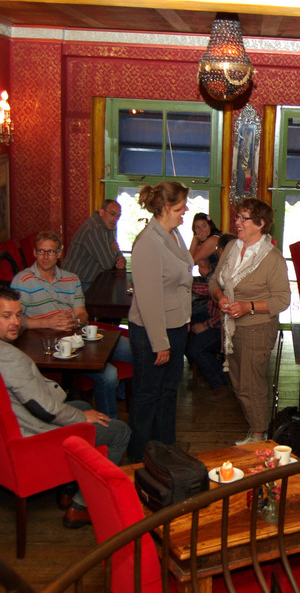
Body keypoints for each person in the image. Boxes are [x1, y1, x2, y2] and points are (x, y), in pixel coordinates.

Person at [0, 286, 130, 529]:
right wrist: (82, 417)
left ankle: (68, 490)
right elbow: (46, 410)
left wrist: (80, 411)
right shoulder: (8, 356)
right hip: (29, 437)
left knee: (82, 403)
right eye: (6, 316)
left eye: (18, 315)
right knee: (119, 431)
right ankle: (81, 506)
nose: (15, 322)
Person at [11, 231, 128, 420]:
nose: (45, 256)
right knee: (108, 375)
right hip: (45, 345)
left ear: (59, 253)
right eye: (41, 251)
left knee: (136, 351)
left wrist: (76, 321)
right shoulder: (22, 280)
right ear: (34, 252)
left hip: (77, 337)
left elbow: (82, 313)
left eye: (51, 252)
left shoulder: (71, 279)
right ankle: (109, 421)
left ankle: (142, 405)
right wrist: (47, 322)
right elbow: (16, 320)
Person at [210, 199, 290, 446]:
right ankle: (257, 430)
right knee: (238, 382)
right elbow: (214, 282)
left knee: (250, 385)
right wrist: (221, 297)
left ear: (261, 224)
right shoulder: (232, 247)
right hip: (231, 328)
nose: (237, 222)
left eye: (244, 218)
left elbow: (282, 300)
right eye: (237, 217)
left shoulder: (272, 258)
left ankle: (258, 436)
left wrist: (249, 306)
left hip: (258, 329)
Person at [127, 181, 194, 462]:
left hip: (175, 327)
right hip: (152, 332)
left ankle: (166, 450)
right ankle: (139, 457)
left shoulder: (173, 234)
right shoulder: (148, 242)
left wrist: (185, 319)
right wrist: (160, 343)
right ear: (166, 207)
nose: (185, 210)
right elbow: (149, 299)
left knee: (168, 393)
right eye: (181, 206)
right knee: (147, 396)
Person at [185, 233, 235, 401]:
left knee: (195, 349)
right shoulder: (219, 266)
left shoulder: (233, 272)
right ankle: (202, 369)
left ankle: (219, 384)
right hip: (213, 315)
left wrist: (206, 326)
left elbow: (226, 311)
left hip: (225, 326)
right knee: (183, 328)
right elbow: (205, 287)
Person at [62, 199, 127, 290]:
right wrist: (114, 251)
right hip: (75, 283)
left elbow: (115, 247)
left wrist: (120, 257)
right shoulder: (94, 228)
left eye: (118, 215)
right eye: (112, 214)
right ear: (101, 212)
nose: (115, 219)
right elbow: (107, 263)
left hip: (88, 280)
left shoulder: (109, 226)